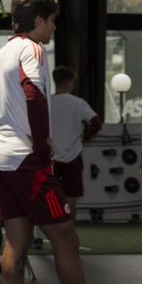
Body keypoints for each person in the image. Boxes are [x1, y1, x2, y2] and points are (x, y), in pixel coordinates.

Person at [0, 0, 103, 284]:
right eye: (52, 22)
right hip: (28, 160)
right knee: (67, 239)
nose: (54, 28)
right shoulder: (33, 49)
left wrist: (1, 138)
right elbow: (33, 94)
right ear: (40, 20)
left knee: (17, 240)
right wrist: (41, 146)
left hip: (3, 159)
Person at [49, 66, 102, 211]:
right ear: (69, 82)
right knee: (71, 194)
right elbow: (96, 122)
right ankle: (69, 221)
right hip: (73, 156)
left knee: (50, 192)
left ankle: (53, 220)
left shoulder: (48, 103)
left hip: (52, 155)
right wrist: (85, 137)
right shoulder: (78, 103)